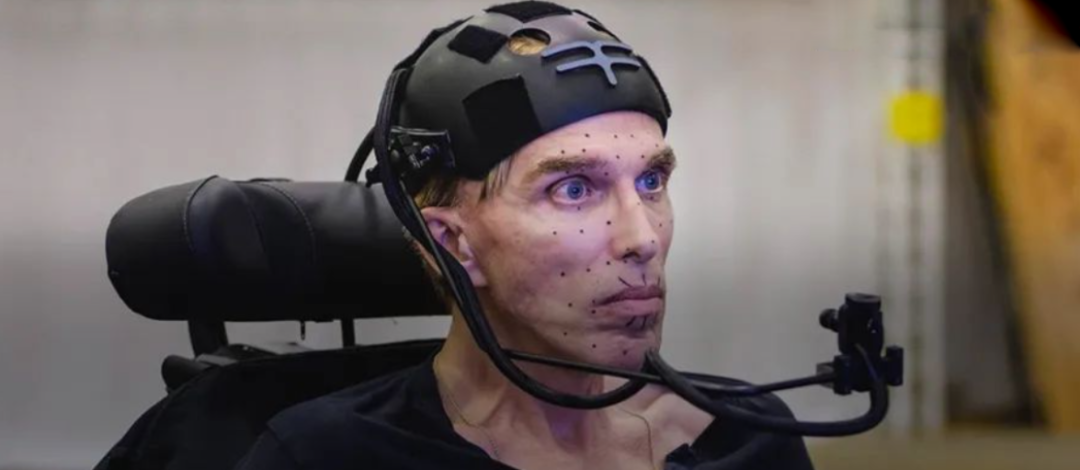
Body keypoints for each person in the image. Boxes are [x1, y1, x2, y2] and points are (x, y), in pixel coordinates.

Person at [235, 2, 815, 469]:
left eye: (651, 181)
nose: (642, 239)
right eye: (574, 189)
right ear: (451, 244)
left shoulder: (743, 437)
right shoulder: (328, 456)